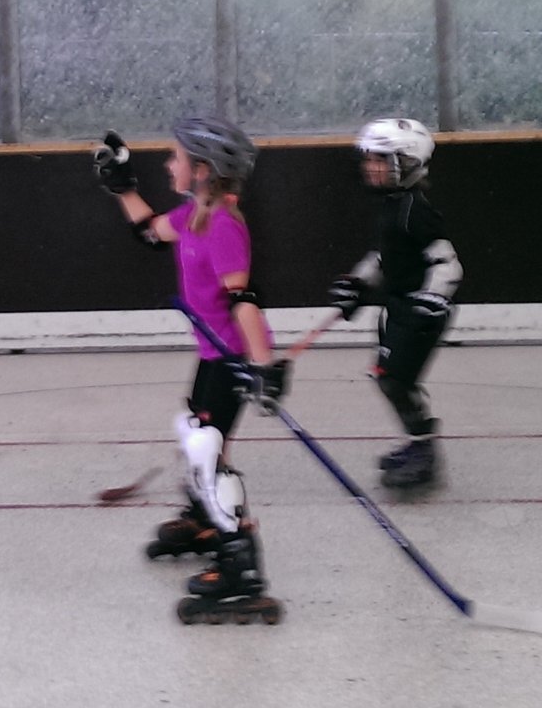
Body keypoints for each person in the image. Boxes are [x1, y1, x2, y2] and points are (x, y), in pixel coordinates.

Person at [93, 117, 288, 625]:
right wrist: (123, 186)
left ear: (202, 170)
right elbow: (150, 233)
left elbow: (244, 301)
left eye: (176, 158)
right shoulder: (192, 215)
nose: (168, 165)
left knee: (207, 452)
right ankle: (204, 520)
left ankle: (241, 565)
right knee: (197, 435)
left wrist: (263, 368)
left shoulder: (224, 225)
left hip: (231, 358)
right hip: (212, 355)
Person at [326, 117, 462, 489]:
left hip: (418, 313)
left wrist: (432, 300)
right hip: (398, 306)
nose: (370, 167)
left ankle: (424, 451)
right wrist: (357, 283)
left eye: (380, 160)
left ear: (407, 162)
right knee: (390, 378)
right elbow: (384, 256)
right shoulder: (392, 205)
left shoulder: (416, 210)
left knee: (396, 380)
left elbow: (447, 263)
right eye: (369, 159)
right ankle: (419, 442)